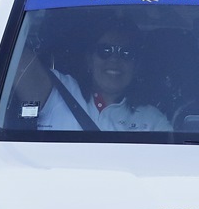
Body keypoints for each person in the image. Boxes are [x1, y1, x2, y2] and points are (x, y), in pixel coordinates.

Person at [35, 25, 171, 133]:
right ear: (89, 60)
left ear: (136, 66)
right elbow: (20, 62)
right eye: (105, 50)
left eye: (126, 53)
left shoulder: (154, 121)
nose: (114, 59)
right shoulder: (60, 90)